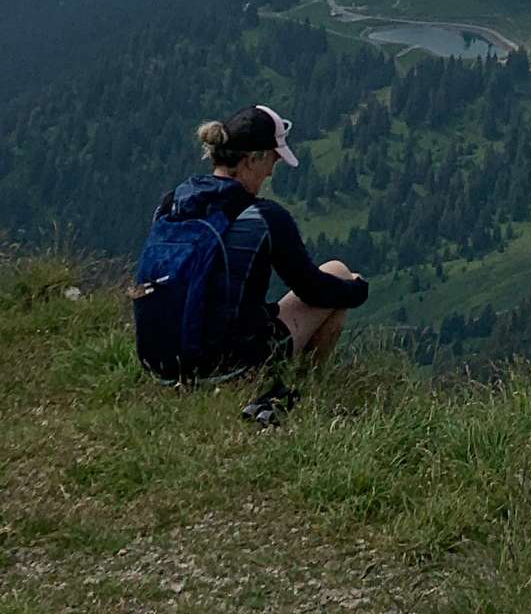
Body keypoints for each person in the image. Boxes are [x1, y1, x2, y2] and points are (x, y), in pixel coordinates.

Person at [134, 104, 368, 422]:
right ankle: (302, 391)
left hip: (161, 366)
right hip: (230, 368)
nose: (271, 172)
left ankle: (215, 380)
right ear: (251, 160)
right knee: (339, 274)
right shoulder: (264, 216)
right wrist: (357, 290)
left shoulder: (171, 204)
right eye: (272, 160)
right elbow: (314, 290)